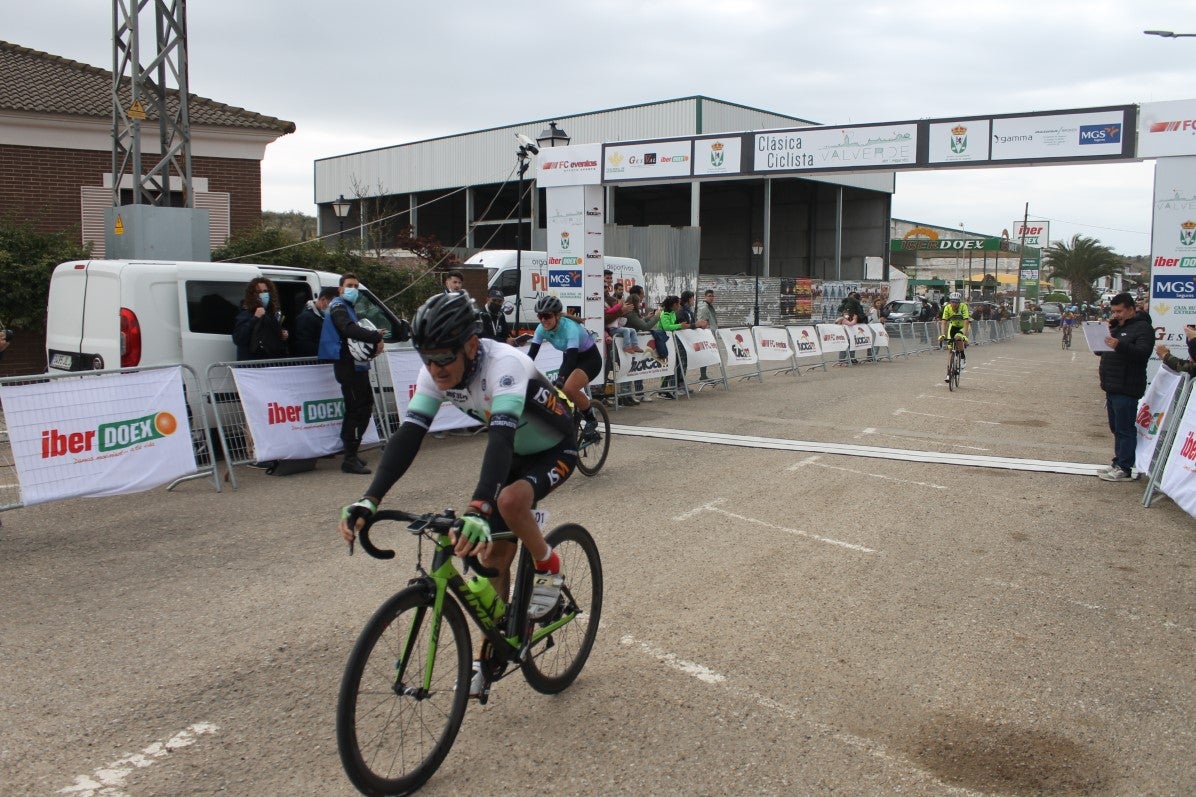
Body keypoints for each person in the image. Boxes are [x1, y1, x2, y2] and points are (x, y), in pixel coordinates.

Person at [338, 291, 575, 697]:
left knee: (509, 502)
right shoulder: (435, 372)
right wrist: (370, 498)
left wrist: (478, 508)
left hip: (553, 447)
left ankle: (548, 564)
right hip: (512, 453)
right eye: (426, 358)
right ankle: (491, 650)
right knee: (492, 560)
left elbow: (500, 439)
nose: (435, 369)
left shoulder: (505, 365)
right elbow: (409, 435)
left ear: (470, 345)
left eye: (444, 358)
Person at [318, 273, 387, 475]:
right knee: (357, 410)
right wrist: (374, 336)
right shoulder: (338, 306)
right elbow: (347, 329)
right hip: (347, 366)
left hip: (357, 366)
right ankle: (349, 458)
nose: (353, 289)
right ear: (340, 289)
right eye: (349, 285)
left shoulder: (348, 306)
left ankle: (352, 453)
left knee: (363, 407)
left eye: (356, 286)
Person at [524, 294, 603, 440]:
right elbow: (531, 356)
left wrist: (561, 378)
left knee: (568, 388)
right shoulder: (541, 329)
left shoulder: (570, 328)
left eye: (547, 316)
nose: (543, 320)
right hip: (569, 358)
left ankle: (591, 419)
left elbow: (572, 359)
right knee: (556, 394)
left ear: (557, 316)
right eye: (540, 316)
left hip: (589, 359)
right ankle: (570, 421)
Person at [1096, 293, 1154, 482]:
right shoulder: (1117, 327)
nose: (1116, 315)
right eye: (1114, 311)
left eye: (1119, 311)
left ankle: (1125, 467)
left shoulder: (1143, 328)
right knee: (1116, 427)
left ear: (1131, 310)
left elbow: (1143, 353)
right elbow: (1102, 351)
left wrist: (1119, 345)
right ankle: (1118, 462)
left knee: (1125, 428)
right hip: (1112, 385)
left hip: (1127, 385)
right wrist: (1100, 337)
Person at [231, 277, 289, 360]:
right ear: (252, 294)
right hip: (253, 364)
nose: (263, 294)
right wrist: (255, 318)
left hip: (270, 362)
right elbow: (238, 339)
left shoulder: (271, 313)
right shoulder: (246, 313)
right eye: (259, 292)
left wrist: (282, 334)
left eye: (265, 291)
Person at [294, 286, 339, 357]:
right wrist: (329, 350)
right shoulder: (306, 317)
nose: (335, 307)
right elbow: (304, 345)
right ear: (323, 299)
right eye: (333, 304)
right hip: (315, 360)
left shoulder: (325, 316)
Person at [939, 292, 970, 380]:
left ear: (959, 302)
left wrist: (964, 336)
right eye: (952, 301)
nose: (954, 304)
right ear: (950, 302)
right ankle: (948, 373)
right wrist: (942, 335)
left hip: (963, 327)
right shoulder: (947, 308)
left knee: (958, 338)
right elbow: (944, 322)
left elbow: (966, 322)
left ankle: (962, 356)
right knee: (950, 350)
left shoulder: (963, 307)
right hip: (953, 326)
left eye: (956, 302)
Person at [696, 289, 719, 381]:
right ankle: (703, 376)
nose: (711, 298)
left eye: (712, 296)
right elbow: (703, 322)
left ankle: (703, 375)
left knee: (706, 354)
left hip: (709, 333)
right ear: (705, 296)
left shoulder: (709, 306)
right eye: (709, 296)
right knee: (704, 354)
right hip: (706, 334)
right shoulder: (704, 307)